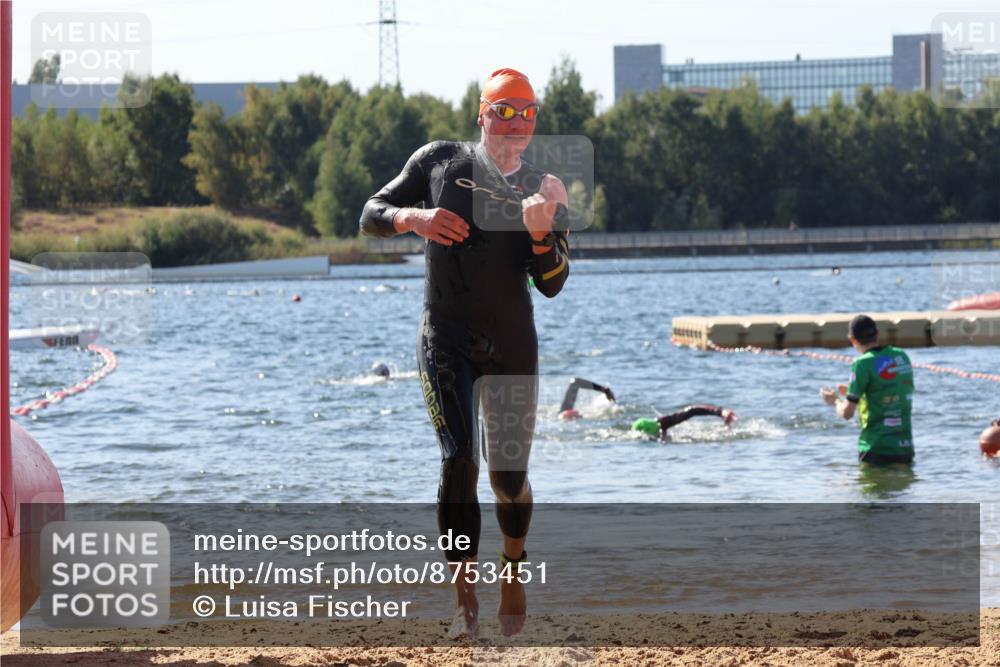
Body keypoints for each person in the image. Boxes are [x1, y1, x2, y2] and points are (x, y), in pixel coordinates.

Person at [359, 68, 570, 640]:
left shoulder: (543, 188)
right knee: (459, 461)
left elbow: (552, 282)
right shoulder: (436, 162)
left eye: (526, 114)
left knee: (508, 481)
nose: (514, 125)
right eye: (504, 112)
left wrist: (541, 233)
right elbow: (370, 214)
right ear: (482, 114)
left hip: (511, 348)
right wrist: (412, 218)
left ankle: (513, 569)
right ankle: (463, 600)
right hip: (445, 340)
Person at [820, 314, 915, 464]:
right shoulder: (901, 356)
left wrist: (835, 401)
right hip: (905, 449)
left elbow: (847, 413)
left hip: (875, 449)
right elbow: (890, 390)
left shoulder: (862, 364)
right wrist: (853, 392)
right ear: (877, 334)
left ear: (853, 340)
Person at [556, 378, 736, 439]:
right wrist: (720, 412)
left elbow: (575, 383)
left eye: (572, 414)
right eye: (571, 416)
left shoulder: (613, 431)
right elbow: (692, 411)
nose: (576, 414)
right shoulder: (661, 427)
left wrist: (604, 390)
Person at [631, 405, 737, 440]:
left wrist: (720, 412)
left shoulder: (663, 423)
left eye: (661, 430)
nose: (662, 433)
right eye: (659, 432)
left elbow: (692, 411)